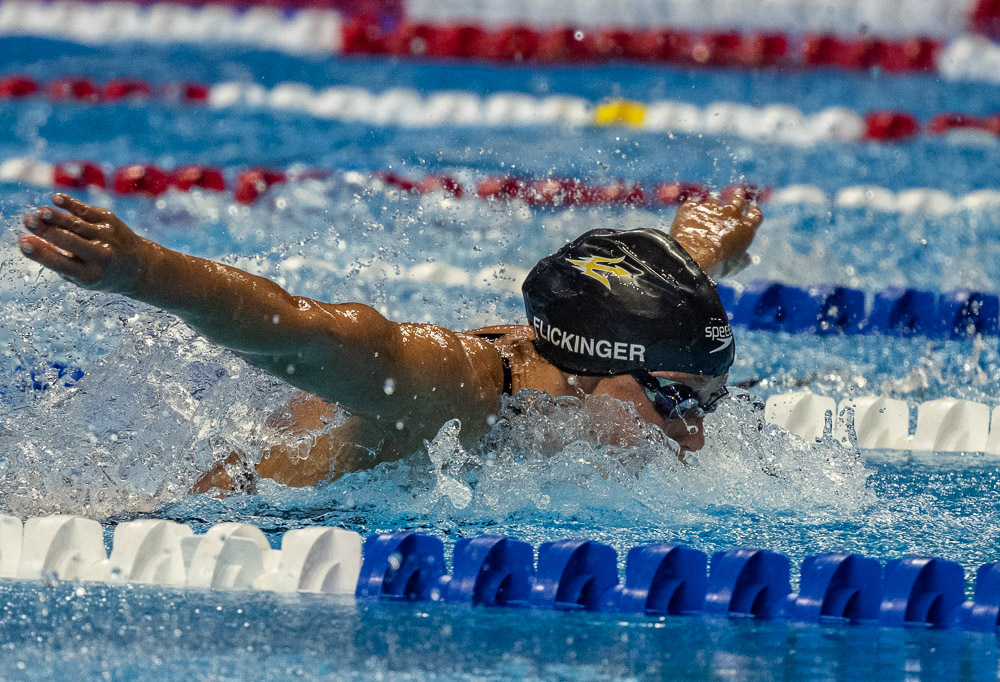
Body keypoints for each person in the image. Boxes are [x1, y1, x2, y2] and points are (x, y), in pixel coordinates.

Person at [17, 188, 762, 491]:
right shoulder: (458, 388)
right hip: (208, 520)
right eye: (675, 401)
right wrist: (146, 270)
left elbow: (648, 313)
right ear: (592, 368)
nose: (694, 435)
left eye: (709, 402)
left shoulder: (618, 358)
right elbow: (304, 332)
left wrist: (694, 249)